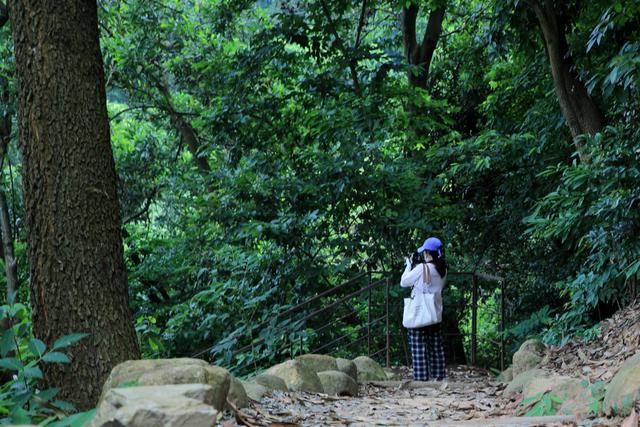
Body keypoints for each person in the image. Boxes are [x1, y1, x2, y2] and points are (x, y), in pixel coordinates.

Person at [401, 237, 447, 381]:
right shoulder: (443, 269)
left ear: (428, 253)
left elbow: (404, 282)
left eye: (425, 252)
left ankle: (421, 379)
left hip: (419, 314)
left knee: (418, 347)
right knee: (436, 347)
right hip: (435, 313)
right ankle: (439, 377)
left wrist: (408, 265)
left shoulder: (422, 268)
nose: (423, 255)